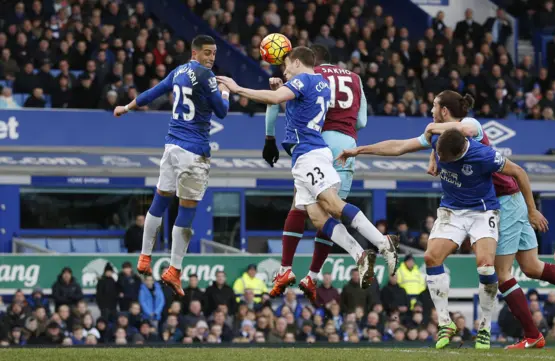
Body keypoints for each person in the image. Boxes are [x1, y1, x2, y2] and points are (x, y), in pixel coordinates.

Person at [337, 102, 548, 350]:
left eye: (444, 158)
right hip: (452, 210)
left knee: (485, 267)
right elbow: (398, 147)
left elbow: (520, 172)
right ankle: (445, 323)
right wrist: (358, 150)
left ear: (459, 154)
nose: (439, 160)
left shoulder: (482, 154)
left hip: (483, 211)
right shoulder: (438, 138)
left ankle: (484, 327)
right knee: (431, 258)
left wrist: (532, 210)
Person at [422, 91, 555, 349]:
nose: (431, 111)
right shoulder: (450, 139)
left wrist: (433, 128)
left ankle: (533, 335)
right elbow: (439, 141)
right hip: (511, 199)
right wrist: (433, 153)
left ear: (445, 111)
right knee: (532, 266)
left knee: (501, 274)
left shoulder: (470, 126)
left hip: (504, 202)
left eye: (434, 106)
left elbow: (460, 128)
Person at [216, 46, 398, 289]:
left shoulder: (306, 79)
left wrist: (236, 88)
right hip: (318, 151)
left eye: (287, 65)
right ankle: (356, 256)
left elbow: (275, 99)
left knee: (333, 206)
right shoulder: (325, 82)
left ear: (297, 62)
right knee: (317, 217)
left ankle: (383, 242)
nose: (285, 69)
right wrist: (280, 88)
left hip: (310, 153)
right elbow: (356, 120)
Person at [113, 35, 230, 296]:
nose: (212, 58)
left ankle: (145, 256)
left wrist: (127, 107)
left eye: (214, 53)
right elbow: (222, 112)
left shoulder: (179, 71)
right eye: (208, 53)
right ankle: (174, 270)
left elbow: (153, 93)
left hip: (171, 147)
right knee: (187, 211)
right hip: (193, 152)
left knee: (161, 200)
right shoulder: (206, 76)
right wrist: (225, 92)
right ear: (195, 52)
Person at [261, 43, 377, 302]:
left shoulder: (310, 78)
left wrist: (270, 137)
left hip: (316, 142)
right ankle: (312, 276)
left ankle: (287, 268)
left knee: (301, 208)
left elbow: (281, 103)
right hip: (346, 146)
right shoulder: (354, 78)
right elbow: (363, 122)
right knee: (329, 210)